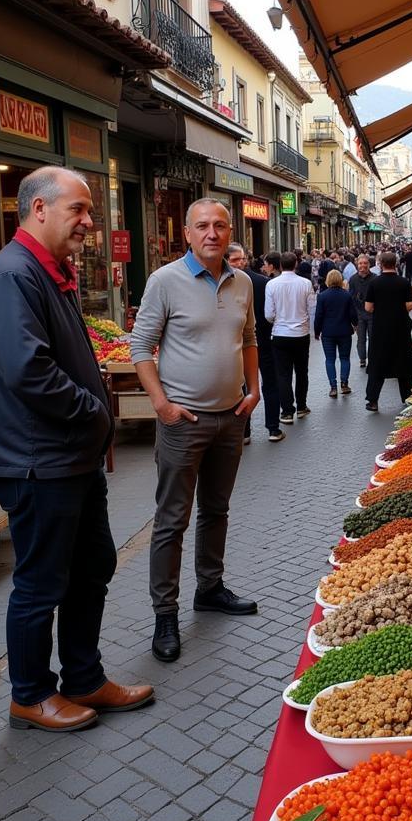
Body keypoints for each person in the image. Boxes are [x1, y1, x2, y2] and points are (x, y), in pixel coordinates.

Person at [0, 166, 153, 730]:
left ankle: (84, 678)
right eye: (79, 210)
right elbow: (28, 370)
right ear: (39, 210)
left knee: (94, 564)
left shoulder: (47, 270)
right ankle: (30, 695)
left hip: (68, 456)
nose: (90, 222)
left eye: (90, 210)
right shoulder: (12, 275)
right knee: (42, 581)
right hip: (37, 459)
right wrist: (92, 411)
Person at [131, 198, 260, 664]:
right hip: (183, 423)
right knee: (172, 520)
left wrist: (254, 390)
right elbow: (141, 347)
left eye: (220, 226)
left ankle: (210, 588)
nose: (212, 233)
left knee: (217, 509)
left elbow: (248, 338)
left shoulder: (242, 281)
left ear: (230, 233)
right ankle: (165, 613)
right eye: (202, 226)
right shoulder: (164, 281)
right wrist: (161, 405)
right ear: (186, 233)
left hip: (231, 417)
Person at [235, 245, 286, 444]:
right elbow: (270, 314)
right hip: (264, 340)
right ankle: (273, 428)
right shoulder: (263, 282)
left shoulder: (226, 284)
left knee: (243, 386)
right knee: (269, 384)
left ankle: (245, 431)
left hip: (242, 343)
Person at [264, 251, 316, 424]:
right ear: (296, 264)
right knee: (302, 372)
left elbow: (268, 314)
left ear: (279, 265)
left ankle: (287, 411)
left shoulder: (271, 285)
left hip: (280, 334)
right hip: (300, 334)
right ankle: (301, 406)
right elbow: (312, 309)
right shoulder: (306, 283)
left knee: (283, 374)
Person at [364, 251, 412, 411]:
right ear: (396, 264)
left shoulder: (374, 283)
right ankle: (407, 396)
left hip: (380, 328)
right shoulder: (403, 282)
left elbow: (368, 307)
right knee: (403, 362)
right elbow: (410, 305)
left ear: (380, 264)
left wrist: (381, 310)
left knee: (377, 363)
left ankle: (373, 400)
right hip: (400, 327)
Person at [314, 270, 358, 397]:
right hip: (344, 331)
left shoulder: (322, 296)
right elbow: (352, 314)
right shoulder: (346, 295)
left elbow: (319, 316)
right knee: (344, 358)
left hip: (328, 333)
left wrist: (317, 331)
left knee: (330, 359)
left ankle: (333, 387)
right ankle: (344, 384)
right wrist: (355, 324)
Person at [347, 254, 374, 368]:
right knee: (361, 338)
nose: (363, 265)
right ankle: (362, 358)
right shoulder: (353, 279)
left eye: (365, 263)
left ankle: (372, 359)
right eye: (360, 263)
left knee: (373, 338)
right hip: (359, 314)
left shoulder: (375, 278)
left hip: (373, 314)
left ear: (369, 265)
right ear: (357, 265)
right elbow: (351, 297)